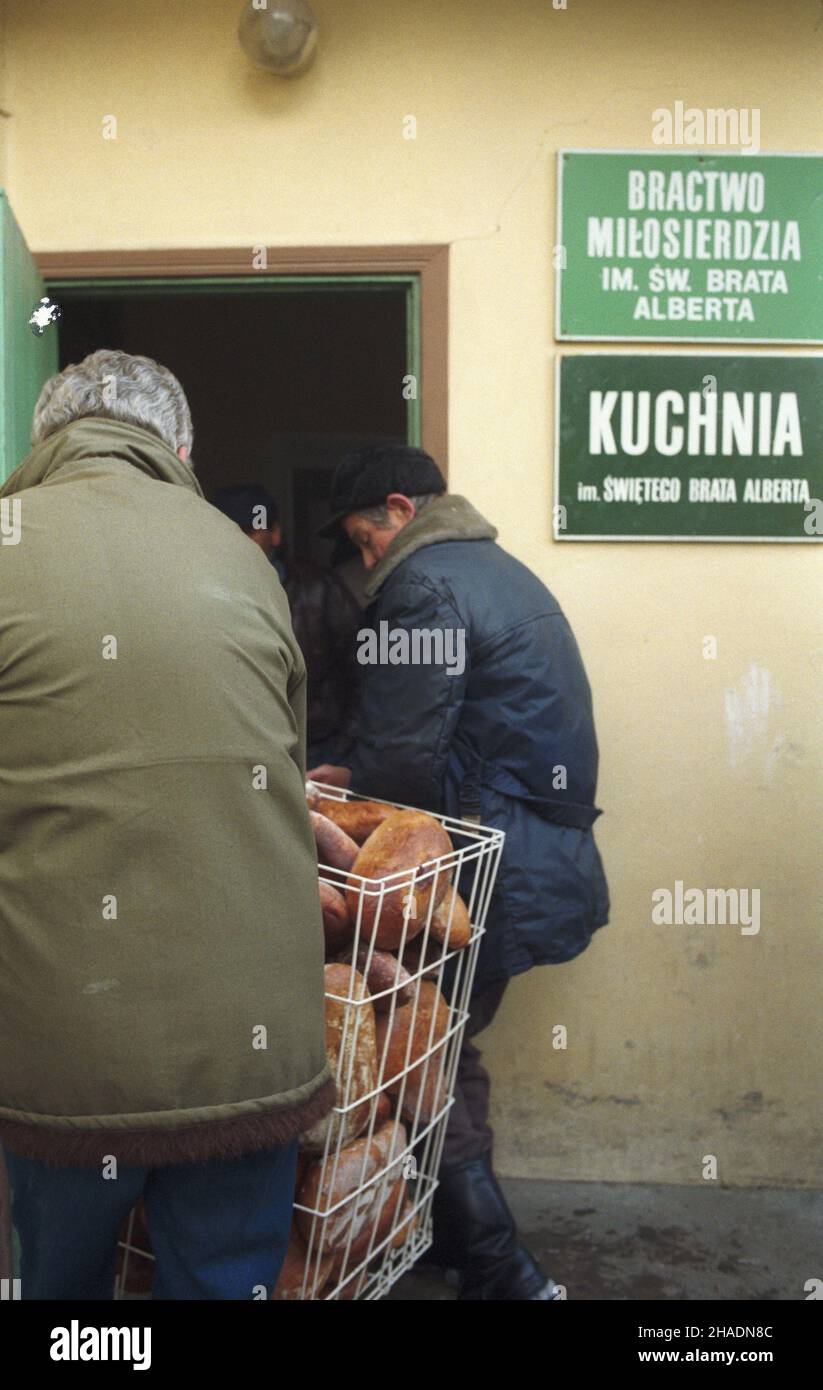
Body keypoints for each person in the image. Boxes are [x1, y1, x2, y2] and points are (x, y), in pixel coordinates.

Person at [0, 350, 334, 1300]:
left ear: (45, 443)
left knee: (64, 1294)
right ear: (180, 447)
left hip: (61, 1044)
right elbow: (282, 769)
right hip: (252, 1040)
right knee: (227, 1283)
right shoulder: (238, 551)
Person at [310, 444, 609, 1302]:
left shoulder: (422, 585)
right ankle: (452, 1237)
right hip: (535, 855)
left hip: (480, 871)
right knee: (443, 1047)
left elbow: (405, 761)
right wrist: (353, 766)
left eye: (364, 539)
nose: (364, 560)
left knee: (429, 1056)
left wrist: (341, 795)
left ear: (401, 511)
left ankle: (501, 1270)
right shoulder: (497, 571)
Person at [213, 485, 362, 767]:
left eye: (249, 530)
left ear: (275, 534)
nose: (238, 541)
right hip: (233, 753)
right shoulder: (200, 596)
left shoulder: (321, 589)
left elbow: (362, 673)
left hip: (317, 750)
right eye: (228, 531)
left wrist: (343, 751)